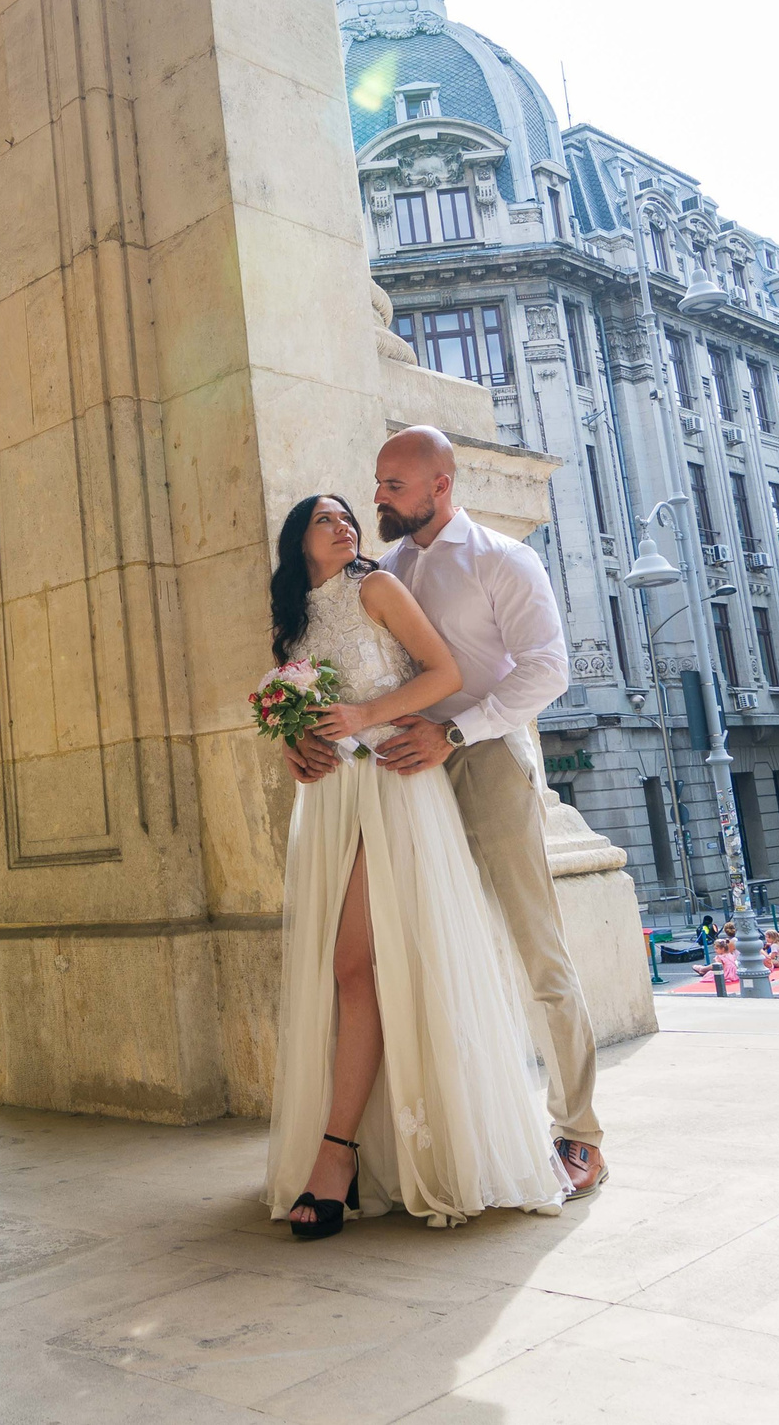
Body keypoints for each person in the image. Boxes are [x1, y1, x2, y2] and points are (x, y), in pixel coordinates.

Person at [290, 427, 605, 1198]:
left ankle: (581, 1136)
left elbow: (549, 670)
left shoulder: (503, 558)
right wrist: (300, 737)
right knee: (420, 956)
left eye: (393, 485)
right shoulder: (379, 572)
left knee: (538, 952)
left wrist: (457, 730)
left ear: (441, 484)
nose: (377, 499)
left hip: (485, 759)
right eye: (377, 483)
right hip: (401, 778)